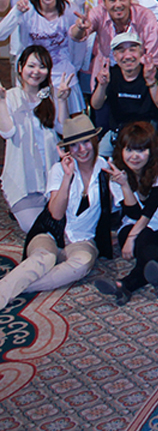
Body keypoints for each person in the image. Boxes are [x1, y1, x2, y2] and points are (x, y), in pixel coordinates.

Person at [0, 112, 119, 310]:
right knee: (44, 259)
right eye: (74, 145)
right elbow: (55, 214)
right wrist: (67, 177)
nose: (82, 149)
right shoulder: (59, 169)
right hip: (50, 234)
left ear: (94, 140)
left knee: (83, 264)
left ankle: (21, 287)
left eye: (86, 142)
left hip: (83, 240)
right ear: (68, 148)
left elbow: (121, 206)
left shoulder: (106, 169)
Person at [94, 121, 158, 304]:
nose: (134, 156)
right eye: (129, 150)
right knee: (147, 244)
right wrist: (125, 185)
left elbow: (150, 209)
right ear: (121, 150)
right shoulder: (117, 172)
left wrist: (132, 238)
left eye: (141, 150)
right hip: (132, 226)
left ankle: (125, 285)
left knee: (150, 245)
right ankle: (155, 276)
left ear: (151, 151)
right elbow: (133, 214)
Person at [0, 46, 69, 231]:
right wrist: (1, 102)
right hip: (23, 183)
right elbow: (7, 132)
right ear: (20, 67)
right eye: (31, 66)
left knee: (64, 229)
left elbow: (63, 129)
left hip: (51, 180)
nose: (36, 71)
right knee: (38, 230)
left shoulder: (50, 96)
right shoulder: (10, 97)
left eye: (42, 66)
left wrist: (62, 100)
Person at [0, 0, 84, 113]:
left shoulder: (69, 10)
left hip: (63, 75)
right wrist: (17, 12)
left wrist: (74, 67)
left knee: (67, 121)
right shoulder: (26, 8)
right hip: (33, 76)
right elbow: (1, 34)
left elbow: (78, 46)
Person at [90, 31, 158, 142]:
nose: (127, 56)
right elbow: (96, 105)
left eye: (132, 50)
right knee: (100, 152)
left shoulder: (153, 73)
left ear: (141, 52)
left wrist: (151, 81)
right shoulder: (109, 74)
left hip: (149, 133)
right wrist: (102, 85)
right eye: (121, 51)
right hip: (118, 133)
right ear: (115, 56)